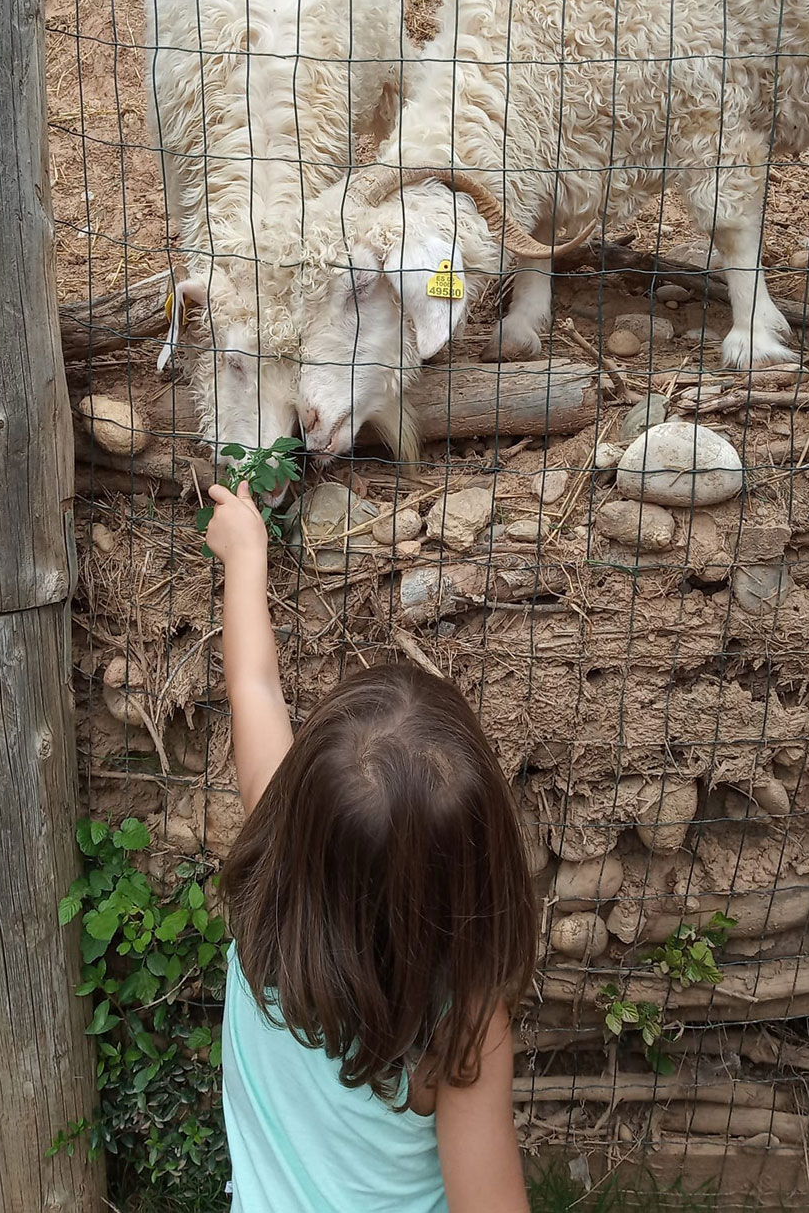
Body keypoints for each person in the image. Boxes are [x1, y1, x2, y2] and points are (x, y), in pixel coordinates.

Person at [204, 478, 538, 1213]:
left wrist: (246, 553)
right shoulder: (461, 1030)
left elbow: (254, 687)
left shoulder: (270, 879)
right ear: (477, 870)